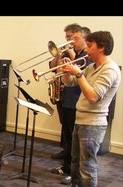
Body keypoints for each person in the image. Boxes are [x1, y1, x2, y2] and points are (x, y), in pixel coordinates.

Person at [58, 31, 121, 187]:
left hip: (93, 123)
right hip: (81, 119)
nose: (86, 48)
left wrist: (78, 74)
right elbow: (70, 83)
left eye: (90, 45)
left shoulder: (109, 69)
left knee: (88, 166)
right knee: (76, 161)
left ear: (101, 47)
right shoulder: (93, 67)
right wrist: (66, 71)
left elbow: (93, 96)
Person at [50, 27, 92, 185]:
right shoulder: (80, 55)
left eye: (76, 39)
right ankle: (67, 167)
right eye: (71, 38)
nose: (72, 41)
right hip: (68, 100)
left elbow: (81, 78)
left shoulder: (86, 57)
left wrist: (71, 61)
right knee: (69, 138)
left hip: (76, 102)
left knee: (76, 144)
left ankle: (74, 173)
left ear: (85, 40)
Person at [50, 23, 81, 160]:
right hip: (61, 91)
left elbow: (77, 65)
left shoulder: (80, 53)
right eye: (67, 36)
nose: (67, 39)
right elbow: (52, 67)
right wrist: (58, 55)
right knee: (64, 124)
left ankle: (69, 156)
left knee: (71, 128)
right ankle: (65, 150)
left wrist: (69, 50)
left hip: (73, 95)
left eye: (69, 37)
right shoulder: (64, 51)